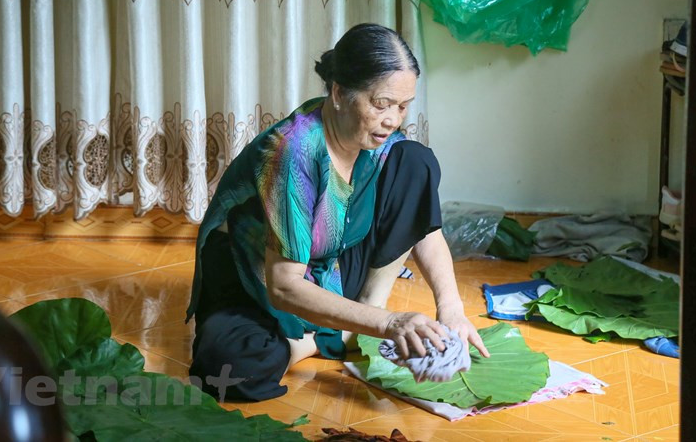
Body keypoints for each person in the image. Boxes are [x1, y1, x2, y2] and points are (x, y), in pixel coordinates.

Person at [187, 23, 489, 401]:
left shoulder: (379, 143)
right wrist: (391, 323)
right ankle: (320, 340)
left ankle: (358, 316)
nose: (393, 119)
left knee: (414, 161)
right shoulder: (292, 154)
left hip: (326, 265)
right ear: (339, 93)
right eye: (381, 104)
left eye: (403, 105)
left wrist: (452, 310)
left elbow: (422, 229)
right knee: (225, 372)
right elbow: (283, 285)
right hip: (256, 278)